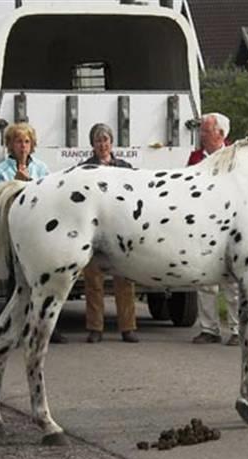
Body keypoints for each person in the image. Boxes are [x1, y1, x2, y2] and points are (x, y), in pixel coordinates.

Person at [0, 122, 67, 344]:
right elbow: (0, 201)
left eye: (26, 142)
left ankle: (45, 328)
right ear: (10, 145)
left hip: (39, 233)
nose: (23, 146)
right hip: (15, 232)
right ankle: (13, 329)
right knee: (17, 282)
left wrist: (30, 184)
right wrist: (16, 183)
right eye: (18, 142)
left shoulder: (41, 169)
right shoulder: (1, 171)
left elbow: (50, 197)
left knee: (44, 281)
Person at [80, 123, 139, 344]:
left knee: (125, 280)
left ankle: (128, 327)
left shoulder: (125, 167)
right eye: (98, 141)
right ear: (92, 145)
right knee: (93, 281)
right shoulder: (84, 169)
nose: (102, 144)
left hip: (120, 231)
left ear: (112, 143)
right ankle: (95, 328)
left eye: (106, 140)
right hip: (95, 232)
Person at [187, 113, 241, 346]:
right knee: (205, 279)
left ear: (220, 133)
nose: (201, 134)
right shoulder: (195, 157)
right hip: (203, 224)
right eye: (201, 130)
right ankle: (209, 328)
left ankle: (238, 329)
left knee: (233, 282)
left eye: (206, 131)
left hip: (229, 225)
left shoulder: (235, 156)